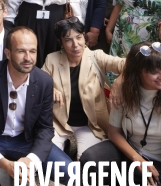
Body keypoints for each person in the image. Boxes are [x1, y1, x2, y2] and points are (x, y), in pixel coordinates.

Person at [80, 42, 161, 186]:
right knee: (90, 160)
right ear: (138, 72)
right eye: (154, 72)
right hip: (133, 154)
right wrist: (137, 159)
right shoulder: (125, 91)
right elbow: (114, 132)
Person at [0, 27, 74, 186]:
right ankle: (1, 172)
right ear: (7, 53)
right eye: (21, 51)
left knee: (70, 172)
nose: (28, 58)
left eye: (32, 51)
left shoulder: (44, 81)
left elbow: (45, 129)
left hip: (25, 139)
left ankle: (17, 170)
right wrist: (3, 162)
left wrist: (31, 159)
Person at [43, 17, 124, 159]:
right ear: (60, 43)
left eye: (79, 37)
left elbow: (128, 64)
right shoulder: (52, 59)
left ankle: (70, 151)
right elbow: (39, 81)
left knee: (88, 160)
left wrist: (118, 82)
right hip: (59, 124)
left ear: (84, 37)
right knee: (47, 156)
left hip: (89, 125)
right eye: (68, 40)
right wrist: (51, 89)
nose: (75, 44)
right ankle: (66, 149)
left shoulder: (96, 56)